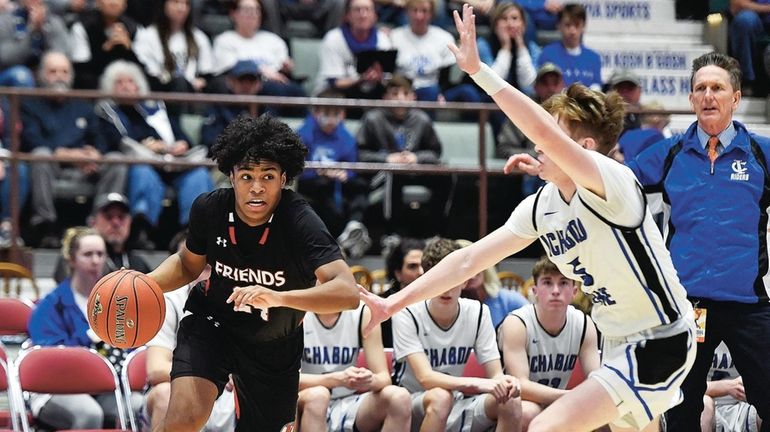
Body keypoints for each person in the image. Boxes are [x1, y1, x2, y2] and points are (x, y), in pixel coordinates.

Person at [360, 6, 696, 431]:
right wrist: (392, 303)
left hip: (659, 338)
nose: (537, 142)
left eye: (552, 134)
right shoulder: (543, 206)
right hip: (618, 342)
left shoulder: (613, 183)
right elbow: (467, 262)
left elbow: (541, 132)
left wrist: (480, 72)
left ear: (585, 148)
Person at [144, 114, 359, 431]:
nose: (257, 188)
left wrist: (279, 297)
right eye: (247, 176)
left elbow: (347, 292)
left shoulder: (300, 220)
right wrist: (144, 283)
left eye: (268, 177)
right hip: (213, 323)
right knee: (183, 419)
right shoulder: (210, 208)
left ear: (283, 179)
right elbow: (189, 264)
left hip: (274, 342)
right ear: (231, 176)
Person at [627, 51, 770, 431]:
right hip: (689, 307)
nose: (708, 95)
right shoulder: (669, 153)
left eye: (717, 88)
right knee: (682, 410)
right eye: (700, 88)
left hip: (748, 304)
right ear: (691, 99)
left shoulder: (761, 154)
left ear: (735, 98)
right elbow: (613, 184)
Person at [391, 237, 521, 431]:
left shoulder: (478, 312)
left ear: (466, 279)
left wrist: (507, 382)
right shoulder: (406, 313)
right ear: (425, 279)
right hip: (413, 404)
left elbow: (495, 374)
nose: (446, 288)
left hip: (457, 402)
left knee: (511, 401)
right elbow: (426, 378)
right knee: (441, 397)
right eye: (438, 279)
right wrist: (479, 384)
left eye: (453, 278)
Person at [27, 227, 141, 429]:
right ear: (71, 259)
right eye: (88, 254)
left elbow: (132, 346)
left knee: (139, 405)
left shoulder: (117, 303)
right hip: (55, 388)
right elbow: (51, 360)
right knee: (89, 414)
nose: (96, 260)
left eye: (100, 254)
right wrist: (89, 337)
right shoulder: (50, 306)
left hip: (103, 387)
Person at [95, 59, 214, 249]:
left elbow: (181, 135)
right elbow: (116, 142)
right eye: (120, 82)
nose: (126, 87)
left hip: (174, 162)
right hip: (144, 163)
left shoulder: (157, 109)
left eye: (131, 82)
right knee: (143, 173)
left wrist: (182, 144)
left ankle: (193, 233)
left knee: (198, 175)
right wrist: (149, 146)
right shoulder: (108, 113)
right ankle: (142, 231)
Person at [21, 51, 127, 248]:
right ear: (41, 75)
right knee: (40, 156)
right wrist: (70, 155)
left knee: (116, 160)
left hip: (85, 169)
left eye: (64, 71)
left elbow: (99, 138)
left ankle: (100, 224)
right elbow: (31, 140)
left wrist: (94, 155)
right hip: (53, 167)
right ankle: (45, 225)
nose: (59, 76)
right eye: (53, 71)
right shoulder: (31, 104)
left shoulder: (82, 105)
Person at [141, 232, 234, 432]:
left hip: (225, 395)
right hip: (179, 391)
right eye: (189, 268)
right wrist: (212, 377)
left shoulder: (239, 301)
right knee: (165, 393)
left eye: (208, 268)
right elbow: (156, 370)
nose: (197, 273)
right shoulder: (168, 302)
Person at [497, 255, 600, 429]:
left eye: (563, 283)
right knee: (528, 413)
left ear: (574, 291)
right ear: (535, 290)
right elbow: (520, 385)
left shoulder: (584, 324)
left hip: (557, 400)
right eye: (547, 282)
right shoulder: (517, 323)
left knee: (605, 415)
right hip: (515, 401)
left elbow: (596, 378)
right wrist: (570, 396)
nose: (555, 290)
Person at [296, 302, 412, 431]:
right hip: (305, 398)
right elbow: (283, 380)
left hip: (348, 400)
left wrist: (367, 380)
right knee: (319, 395)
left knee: (399, 397)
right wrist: (335, 380)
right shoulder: (295, 312)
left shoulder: (363, 312)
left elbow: (384, 378)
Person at [296, 89, 372, 258]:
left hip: (337, 181)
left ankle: (354, 226)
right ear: (316, 113)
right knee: (324, 187)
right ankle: (336, 242)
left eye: (335, 113)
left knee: (360, 186)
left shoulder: (347, 138)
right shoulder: (303, 133)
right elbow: (297, 167)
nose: (331, 119)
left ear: (342, 114)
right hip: (312, 181)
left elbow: (352, 168)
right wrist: (320, 172)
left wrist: (345, 174)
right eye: (326, 113)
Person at [391, 0, 482, 104]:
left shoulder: (444, 38)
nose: (419, 16)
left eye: (424, 11)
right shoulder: (395, 36)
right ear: (407, 12)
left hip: (436, 91)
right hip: (403, 92)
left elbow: (448, 77)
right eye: (415, 10)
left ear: (431, 14)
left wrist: (441, 93)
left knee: (468, 92)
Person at [52, 192, 152, 283]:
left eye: (121, 217)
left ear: (130, 222)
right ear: (92, 222)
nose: (116, 223)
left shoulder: (139, 264)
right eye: (108, 217)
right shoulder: (76, 258)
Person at [314, 0, 393, 99]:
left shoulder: (382, 40)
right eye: (357, 10)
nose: (363, 15)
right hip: (334, 96)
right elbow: (336, 82)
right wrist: (362, 78)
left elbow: (387, 80)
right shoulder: (333, 39)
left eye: (367, 10)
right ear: (347, 15)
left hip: (371, 94)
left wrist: (378, 77)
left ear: (375, 16)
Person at [132, 0, 214, 94]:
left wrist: (200, 82)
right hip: (159, 94)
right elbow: (145, 75)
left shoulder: (199, 37)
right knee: (179, 83)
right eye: (176, 2)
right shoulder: (147, 36)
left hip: (192, 95)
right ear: (164, 5)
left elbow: (206, 75)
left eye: (186, 4)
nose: (182, 8)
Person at [69, 0, 141, 89]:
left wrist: (129, 49)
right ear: (98, 2)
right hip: (94, 88)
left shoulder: (134, 28)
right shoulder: (82, 27)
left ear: (125, 4)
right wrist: (106, 48)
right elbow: (80, 70)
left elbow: (144, 69)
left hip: (128, 87)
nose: (113, 2)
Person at [456, 239, 528, 328]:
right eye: (462, 267)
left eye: (473, 263)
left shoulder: (509, 300)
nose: (471, 274)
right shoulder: (449, 307)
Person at [0, 0, 69, 86]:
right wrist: (32, 30)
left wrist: (43, 30)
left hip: (42, 74)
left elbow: (60, 57)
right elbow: (5, 58)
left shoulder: (54, 22)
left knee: (58, 73)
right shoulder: (5, 21)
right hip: (9, 74)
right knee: (21, 76)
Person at [701, 342, 762, 432]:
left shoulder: (756, 333)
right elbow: (683, 387)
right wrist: (727, 387)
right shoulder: (695, 333)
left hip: (744, 408)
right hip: (708, 405)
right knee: (705, 404)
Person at [537, 3, 601, 89]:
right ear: (558, 25)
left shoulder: (594, 58)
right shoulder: (547, 54)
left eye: (577, 25)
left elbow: (597, 87)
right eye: (568, 25)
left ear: (584, 26)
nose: (572, 30)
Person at [728, 0, 770, 96]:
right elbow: (737, 5)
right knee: (744, 20)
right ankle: (747, 81)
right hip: (756, 20)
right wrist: (766, 8)